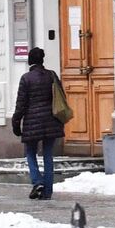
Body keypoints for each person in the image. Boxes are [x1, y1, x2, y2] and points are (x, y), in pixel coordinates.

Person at [10, 47, 67, 200]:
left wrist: (16, 122)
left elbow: (21, 104)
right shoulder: (52, 76)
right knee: (48, 155)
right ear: (42, 60)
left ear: (30, 61)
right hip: (51, 120)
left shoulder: (26, 78)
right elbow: (61, 96)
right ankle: (47, 192)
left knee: (30, 152)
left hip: (32, 122)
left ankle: (37, 181)